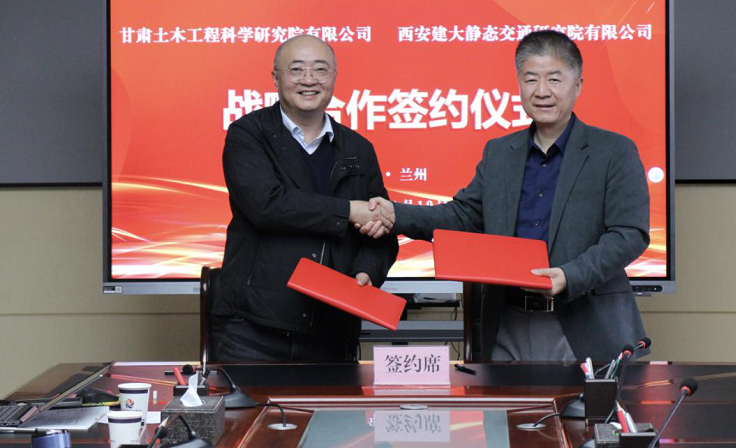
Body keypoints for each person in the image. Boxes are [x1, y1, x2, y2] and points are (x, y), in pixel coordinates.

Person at [357, 30, 649, 362]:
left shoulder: (614, 151)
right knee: (503, 398)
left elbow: (629, 234)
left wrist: (571, 276)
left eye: (554, 79)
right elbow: (464, 216)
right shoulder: (499, 153)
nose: (542, 91)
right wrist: (395, 215)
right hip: (507, 323)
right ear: (519, 84)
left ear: (578, 85)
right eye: (531, 79)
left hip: (585, 323)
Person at [212, 34, 398, 362]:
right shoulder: (248, 134)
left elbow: (381, 229)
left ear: (334, 77)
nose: (309, 80)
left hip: (332, 328)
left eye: (320, 70)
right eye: (296, 69)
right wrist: (348, 211)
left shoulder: (358, 148)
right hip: (253, 331)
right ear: (275, 78)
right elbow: (266, 205)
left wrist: (367, 271)